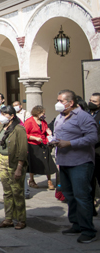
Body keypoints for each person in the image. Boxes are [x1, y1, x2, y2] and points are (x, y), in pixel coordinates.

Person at [52, 89, 98, 244]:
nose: (57, 103)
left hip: (80, 162)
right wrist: (54, 141)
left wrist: (70, 143)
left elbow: (93, 138)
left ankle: (88, 230)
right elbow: (59, 134)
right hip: (63, 161)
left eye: (60, 100)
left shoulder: (83, 117)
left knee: (82, 196)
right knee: (69, 195)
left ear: (70, 103)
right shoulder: (60, 117)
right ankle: (76, 224)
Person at [0, 106, 28, 230]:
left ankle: (21, 219)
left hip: (15, 162)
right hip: (2, 160)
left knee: (17, 191)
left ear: (12, 116)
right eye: (1, 113)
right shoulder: (0, 127)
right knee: (7, 192)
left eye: (5, 114)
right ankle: (8, 218)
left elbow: (23, 149)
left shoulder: (19, 129)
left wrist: (19, 167)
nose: (2, 116)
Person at [24, 106, 55, 190]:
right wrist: (34, 138)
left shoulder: (43, 121)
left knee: (47, 162)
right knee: (33, 163)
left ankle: (49, 180)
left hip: (44, 143)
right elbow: (24, 134)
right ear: (37, 113)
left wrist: (49, 134)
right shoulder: (29, 121)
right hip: (33, 145)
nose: (44, 115)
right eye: (42, 113)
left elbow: (46, 131)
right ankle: (32, 180)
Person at [88, 93, 100, 216]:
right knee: (90, 182)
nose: (91, 103)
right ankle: (91, 208)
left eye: (95, 102)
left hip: (98, 152)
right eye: (90, 100)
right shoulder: (87, 113)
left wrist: (90, 141)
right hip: (88, 154)